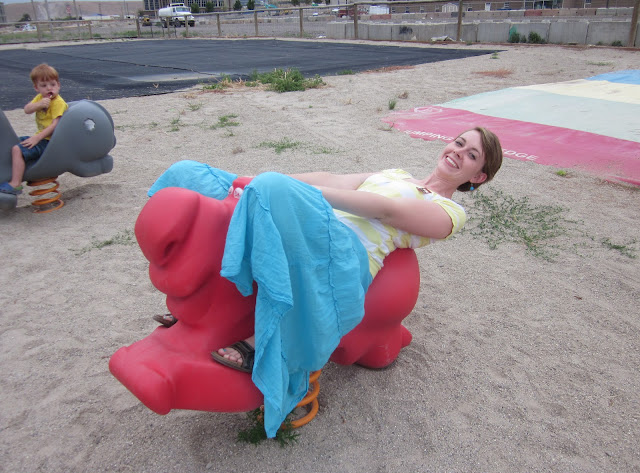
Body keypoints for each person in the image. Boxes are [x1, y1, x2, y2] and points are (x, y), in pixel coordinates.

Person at [148, 127, 502, 436]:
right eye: (459, 143)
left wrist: (291, 191)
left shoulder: (450, 213)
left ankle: (256, 341)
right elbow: (334, 179)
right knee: (190, 173)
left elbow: (387, 210)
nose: (458, 152)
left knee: (273, 187)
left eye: (472, 155)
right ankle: (205, 302)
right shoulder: (397, 175)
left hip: (346, 257)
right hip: (313, 227)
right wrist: (252, 179)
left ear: (479, 176)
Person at [0, 64, 68, 196]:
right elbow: (27, 109)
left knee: (17, 149)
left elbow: (56, 125)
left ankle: (15, 184)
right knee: (13, 143)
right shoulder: (40, 98)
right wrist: (39, 104)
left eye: (52, 84)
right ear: (36, 88)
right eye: (44, 85)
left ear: (58, 85)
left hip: (50, 142)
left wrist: (36, 138)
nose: (49, 88)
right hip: (42, 138)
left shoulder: (58, 103)